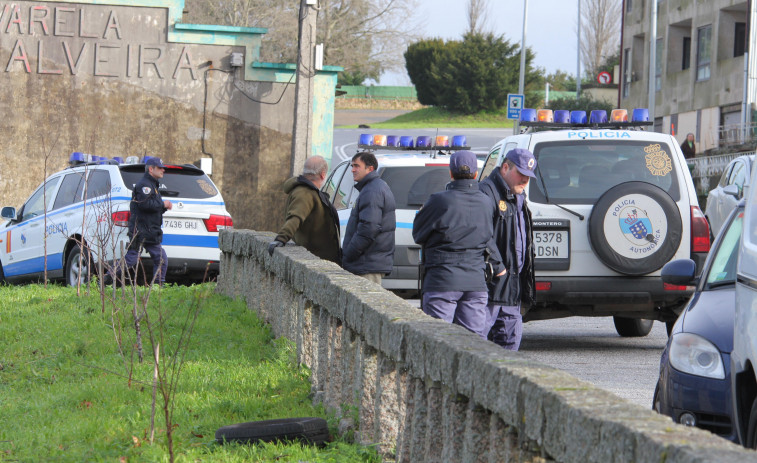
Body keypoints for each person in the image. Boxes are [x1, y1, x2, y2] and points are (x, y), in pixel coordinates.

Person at [413, 150, 505, 337]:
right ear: (475, 173)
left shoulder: (439, 201)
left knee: (438, 339)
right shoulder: (486, 202)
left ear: (451, 172)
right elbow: (487, 236)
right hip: (476, 281)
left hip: (442, 279)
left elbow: (419, 234)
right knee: (473, 342)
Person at [479, 148, 536, 351]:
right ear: (505, 167)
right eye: (521, 174)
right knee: (479, 344)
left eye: (529, 176)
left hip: (513, 286)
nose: (525, 180)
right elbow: (481, 233)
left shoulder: (518, 196)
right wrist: (498, 266)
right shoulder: (487, 192)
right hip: (492, 284)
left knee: (510, 346)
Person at [268, 156, 341, 264]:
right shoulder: (305, 193)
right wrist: (281, 239)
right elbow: (295, 217)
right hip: (316, 259)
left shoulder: (307, 191)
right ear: (323, 174)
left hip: (320, 257)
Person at [342, 151, 396, 284]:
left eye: (356, 166)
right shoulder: (372, 188)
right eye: (352, 166)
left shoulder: (372, 191)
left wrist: (349, 254)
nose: (353, 170)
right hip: (367, 263)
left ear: (370, 168)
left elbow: (369, 228)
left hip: (366, 265)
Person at [119, 157, 173, 285]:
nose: (163, 170)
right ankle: (105, 279)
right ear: (151, 169)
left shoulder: (152, 185)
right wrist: (162, 204)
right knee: (131, 260)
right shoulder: (144, 185)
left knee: (161, 259)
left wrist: (163, 207)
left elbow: (151, 208)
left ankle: (158, 287)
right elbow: (145, 204)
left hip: (150, 231)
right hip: (141, 231)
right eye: (160, 168)